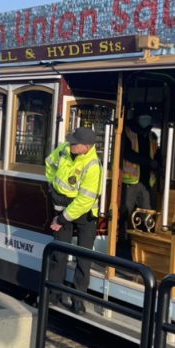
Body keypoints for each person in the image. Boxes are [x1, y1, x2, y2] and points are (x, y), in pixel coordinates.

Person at [44, 127, 103, 314]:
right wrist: (53, 186)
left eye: (75, 143)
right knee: (59, 253)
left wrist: (62, 218)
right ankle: (53, 294)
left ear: (86, 147)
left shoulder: (94, 166)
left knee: (83, 257)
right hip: (62, 205)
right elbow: (49, 163)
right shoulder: (64, 149)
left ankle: (78, 299)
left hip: (84, 214)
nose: (71, 144)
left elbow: (85, 200)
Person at [121, 107, 159, 229]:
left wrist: (158, 165)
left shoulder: (152, 136)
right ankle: (122, 239)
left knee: (147, 212)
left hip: (146, 181)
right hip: (130, 181)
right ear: (137, 118)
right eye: (144, 118)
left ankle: (143, 242)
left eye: (148, 118)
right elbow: (127, 153)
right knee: (126, 211)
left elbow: (156, 153)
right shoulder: (127, 132)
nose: (146, 120)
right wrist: (149, 162)